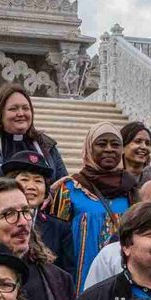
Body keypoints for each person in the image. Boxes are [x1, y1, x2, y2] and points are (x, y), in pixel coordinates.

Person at [39, 121, 136, 291]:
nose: (109, 149)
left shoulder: (132, 190)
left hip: (123, 282)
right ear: (89, 149)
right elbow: (55, 239)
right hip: (79, 282)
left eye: (115, 144)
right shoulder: (70, 189)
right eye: (101, 144)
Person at [0, 83, 67, 183]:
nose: (21, 114)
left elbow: (63, 183)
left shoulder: (46, 145)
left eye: (25, 108)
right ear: (0, 113)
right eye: (13, 109)